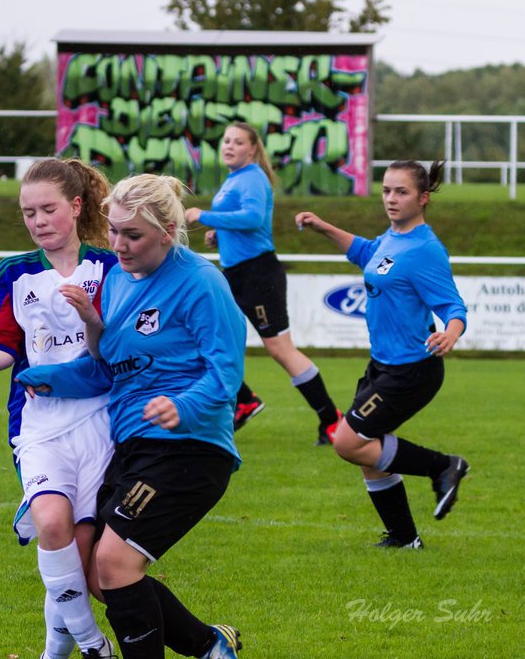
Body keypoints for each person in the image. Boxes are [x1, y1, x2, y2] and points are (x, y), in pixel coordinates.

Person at [17, 173, 251, 659]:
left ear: (169, 231)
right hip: (132, 447)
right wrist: (49, 374)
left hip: (188, 448)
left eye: (133, 235)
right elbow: (108, 366)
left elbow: (226, 374)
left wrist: (182, 406)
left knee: (115, 562)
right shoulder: (119, 280)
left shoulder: (201, 284)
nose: (118, 245)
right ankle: (207, 643)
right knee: (102, 577)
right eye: (115, 232)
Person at [0, 157, 119, 659]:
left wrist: (92, 316)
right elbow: (4, 345)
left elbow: (112, 350)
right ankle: (94, 650)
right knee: (51, 524)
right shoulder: (13, 272)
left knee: (81, 559)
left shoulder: (111, 266)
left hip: (99, 421)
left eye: (47, 209)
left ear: (77, 206)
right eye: (27, 212)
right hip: (37, 423)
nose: (37, 220)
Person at [295, 160, 470, 550]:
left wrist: (451, 334)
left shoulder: (425, 249)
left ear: (423, 198)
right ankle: (405, 538)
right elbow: (365, 251)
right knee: (367, 452)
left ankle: (443, 466)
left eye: (401, 192)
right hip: (382, 366)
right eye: (387, 190)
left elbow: (454, 306)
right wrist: (324, 227)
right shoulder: (392, 238)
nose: (391, 198)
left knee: (347, 441)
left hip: (412, 371)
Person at [185, 122, 341, 441]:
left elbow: (253, 218)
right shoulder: (234, 179)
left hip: (258, 274)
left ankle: (331, 419)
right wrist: (220, 236)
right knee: (205, 333)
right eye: (226, 140)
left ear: (253, 148)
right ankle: (244, 401)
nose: (229, 146)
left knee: (281, 350)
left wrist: (205, 217)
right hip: (236, 274)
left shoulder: (252, 177)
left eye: (237, 142)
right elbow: (243, 222)